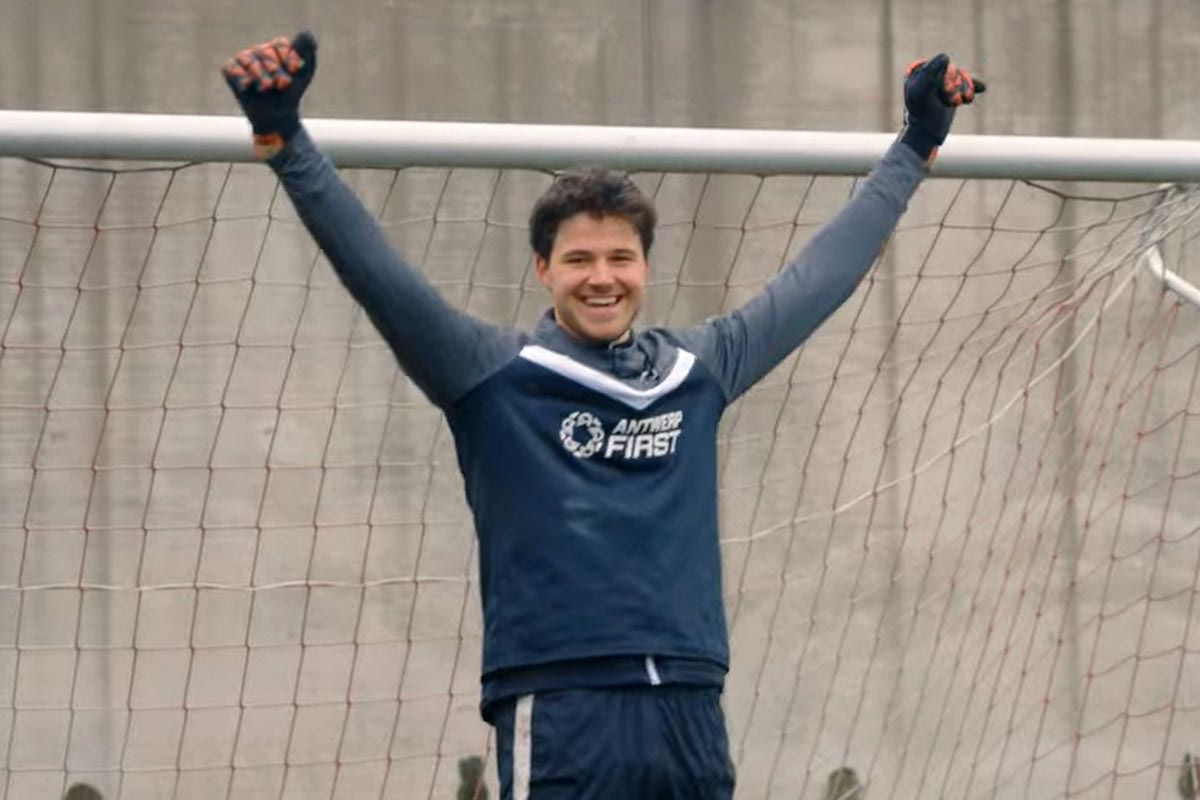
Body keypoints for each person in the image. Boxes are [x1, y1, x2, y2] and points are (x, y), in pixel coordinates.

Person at [221, 32, 982, 800]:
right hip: (562, 709)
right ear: (543, 268)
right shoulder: (491, 376)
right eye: (579, 260)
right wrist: (287, 142)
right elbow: (378, 274)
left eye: (620, 258)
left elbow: (822, 274)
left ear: (644, 266)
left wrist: (916, 143)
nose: (602, 278)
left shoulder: (699, 369)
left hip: (689, 706)